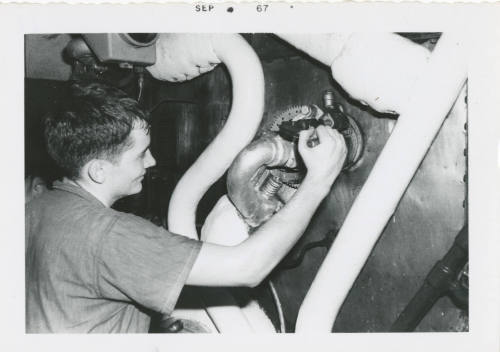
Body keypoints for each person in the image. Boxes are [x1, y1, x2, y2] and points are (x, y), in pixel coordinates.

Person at [25, 81, 347, 333]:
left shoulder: (37, 209)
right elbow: (247, 269)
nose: (152, 161)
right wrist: (319, 178)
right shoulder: (108, 235)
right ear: (98, 170)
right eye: (140, 154)